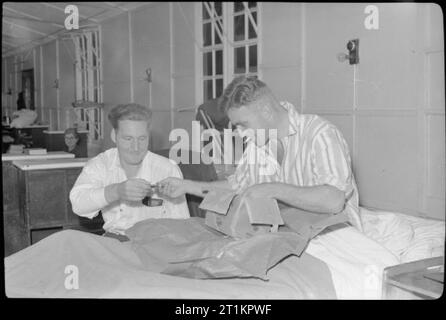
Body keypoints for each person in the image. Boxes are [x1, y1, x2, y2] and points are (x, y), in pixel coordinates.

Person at [158, 76, 362, 231]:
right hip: (295, 232)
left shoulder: (319, 133)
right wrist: (187, 186)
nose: (239, 133)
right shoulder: (258, 144)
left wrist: (273, 188)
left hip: (336, 233)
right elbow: (236, 186)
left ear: (265, 110)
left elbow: (334, 200)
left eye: (242, 124)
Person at [69, 103, 190, 240]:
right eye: (128, 139)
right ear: (115, 136)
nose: (136, 147)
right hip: (115, 240)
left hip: (155, 243)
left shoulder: (167, 169)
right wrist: (116, 191)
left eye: (142, 138)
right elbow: (78, 204)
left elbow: (182, 223)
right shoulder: (100, 165)